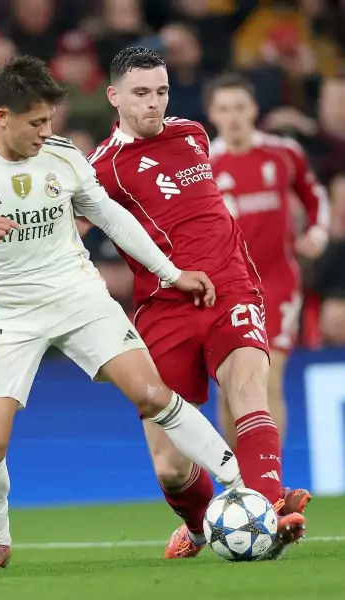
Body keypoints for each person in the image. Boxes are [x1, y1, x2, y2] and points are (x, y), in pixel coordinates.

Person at [0, 55, 245, 572]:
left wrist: (171, 273)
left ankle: (241, 488)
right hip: (6, 310)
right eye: (37, 123)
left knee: (153, 394)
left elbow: (112, 218)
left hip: (77, 295)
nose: (48, 132)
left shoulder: (64, 156)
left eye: (51, 121)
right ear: (2, 118)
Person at [86, 47, 310, 561]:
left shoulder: (192, 134)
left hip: (230, 285)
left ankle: (269, 511)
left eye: (161, 92)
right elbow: (69, 234)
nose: (154, 104)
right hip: (163, 309)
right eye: (141, 93)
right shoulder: (100, 170)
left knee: (248, 388)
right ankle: (203, 524)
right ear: (114, 96)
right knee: (168, 464)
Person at [206, 73, 329, 447]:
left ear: (254, 109)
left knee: (266, 379)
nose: (234, 117)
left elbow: (314, 195)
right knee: (229, 389)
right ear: (212, 113)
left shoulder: (283, 153)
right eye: (225, 109)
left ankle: (270, 483)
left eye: (240, 107)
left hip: (276, 282)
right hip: (224, 290)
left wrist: (317, 233)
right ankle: (241, 482)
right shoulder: (202, 165)